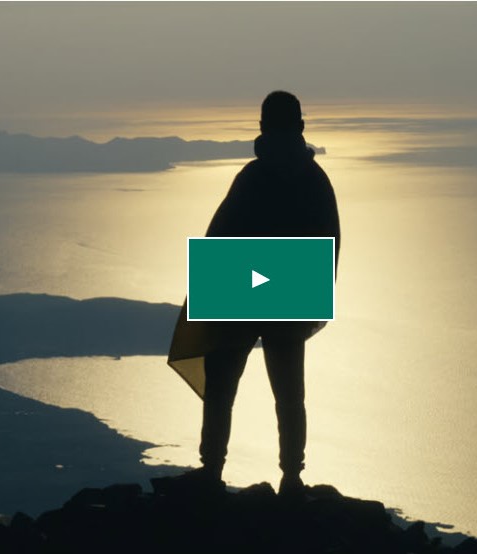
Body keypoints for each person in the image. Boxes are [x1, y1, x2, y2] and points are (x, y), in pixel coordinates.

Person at [159, 91, 340, 499]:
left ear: (262, 127)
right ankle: (292, 477)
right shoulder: (314, 181)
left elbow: (220, 235)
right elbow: (329, 246)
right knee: (290, 394)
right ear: (301, 126)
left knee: (223, 387)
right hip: (290, 293)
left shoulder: (253, 177)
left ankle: (211, 470)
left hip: (240, 289)